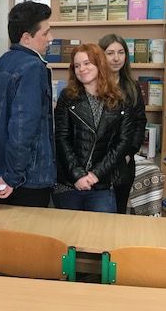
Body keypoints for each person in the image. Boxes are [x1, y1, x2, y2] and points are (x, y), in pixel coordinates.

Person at [0, 1, 55, 207]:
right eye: (45, 33)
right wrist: (12, 176)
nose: (51, 38)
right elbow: (23, 127)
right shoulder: (33, 67)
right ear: (26, 37)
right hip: (27, 177)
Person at [53, 44, 137, 213]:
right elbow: (61, 138)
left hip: (102, 184)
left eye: (87, 63)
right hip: (69, 183)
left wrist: (95, 174)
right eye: (77, 66)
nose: (82, 69)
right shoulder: (67, 97)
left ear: (100, 64)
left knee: (101, 230)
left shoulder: (121, 99)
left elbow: (123, 142)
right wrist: (78, 175)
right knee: (68, 229)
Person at [98, 34, 147, 212]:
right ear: (100, 56)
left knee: (118, 211)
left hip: (124, 162)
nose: (116, 58)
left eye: (121, 52)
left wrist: (129, 152)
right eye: (110, 53)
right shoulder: (93, 84)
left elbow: (140, 122)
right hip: (97, 160)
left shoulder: (132, 86)